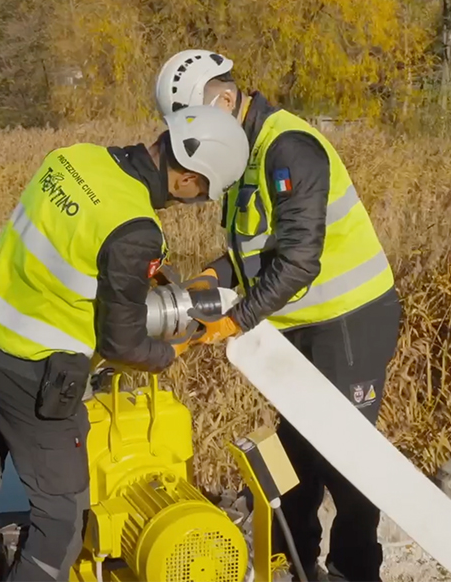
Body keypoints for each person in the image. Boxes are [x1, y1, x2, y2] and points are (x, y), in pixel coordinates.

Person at [0, 105, 250, 582]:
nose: (190, 203)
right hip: (37, 378)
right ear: (186, 179)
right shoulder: (136, 229)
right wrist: (170, 352)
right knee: (60, 523)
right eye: (200, 195)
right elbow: (121, 343)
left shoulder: (72, 159)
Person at [156, 50, 403, 582]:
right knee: (296, 450)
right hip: (300, 325)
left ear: (225, 100)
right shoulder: (240, 156)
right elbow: (257, 250)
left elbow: (297, 262)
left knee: (348, 456)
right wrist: (211, 278)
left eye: (195, 125)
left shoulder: (288, 148)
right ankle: (299, 563)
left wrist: (235, 319)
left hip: (349, 319)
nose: (192, 145)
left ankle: (355, 570)